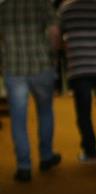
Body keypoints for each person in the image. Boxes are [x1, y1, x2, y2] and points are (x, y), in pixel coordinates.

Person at [0, 0, 62, 182]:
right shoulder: (42, 4)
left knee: (18, 119)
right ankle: (46, 156)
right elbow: (55, 33)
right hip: (41, 66)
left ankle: (24, 166)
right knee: (45, 112)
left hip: (13, 68)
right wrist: (52, 56)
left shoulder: (4, 8)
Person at [58, 0, 96, 162]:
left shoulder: (66, 10)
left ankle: (90, 151)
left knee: (83, 111)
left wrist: (71, 47)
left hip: (79, 67)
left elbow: (58, 37)